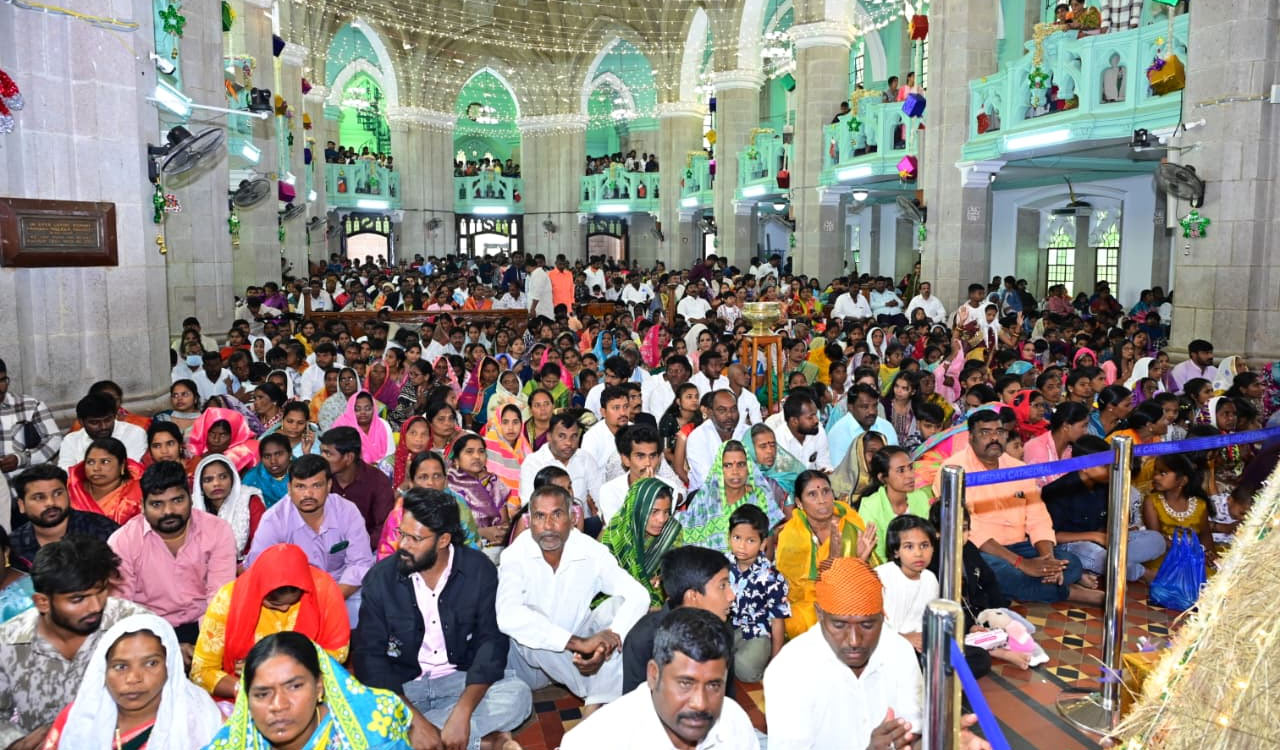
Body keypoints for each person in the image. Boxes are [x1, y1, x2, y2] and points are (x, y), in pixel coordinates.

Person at [354, 489, 531, 750]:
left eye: (415, 538)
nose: (403, 545)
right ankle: (484, 742)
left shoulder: (478, 570)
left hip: (459, 680)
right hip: (403, 688)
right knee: (361, 717)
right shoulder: (380, 579)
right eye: (402, 534)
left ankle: (424, 741)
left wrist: (463, 712)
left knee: (519, 696)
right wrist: (415, 721)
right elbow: (369, 658)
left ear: (443, 540)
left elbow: (490, 642)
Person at [496, 484, 650, 708]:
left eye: (557, 514)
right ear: (529, 521)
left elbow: (639, 595)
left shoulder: (589, 550)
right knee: (532, 620)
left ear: (572, 517)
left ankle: (596, 700)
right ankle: (601, 697)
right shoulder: (515, 555)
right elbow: (508, 616)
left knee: (620, 607)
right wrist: (578, 644)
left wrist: (605, 644)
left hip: (581, 656)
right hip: (531, 667)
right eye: (540, 516)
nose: (548, 526)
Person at [933, 408, 1099, 605]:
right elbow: (969, 528)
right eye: (985, 432)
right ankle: (1069, 592)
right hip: (980, 550)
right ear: (971, 437)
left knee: (1072, 563)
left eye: (1000, 432)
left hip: (1021, 546)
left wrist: (1048, 560)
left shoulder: (1018, 469)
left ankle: (1039, 585)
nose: (994, 438)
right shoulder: (953, 470)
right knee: (993, 573)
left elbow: (1038, 517)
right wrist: (1022, 564)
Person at [0, 537, 150, 750]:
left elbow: (171, 698)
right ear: (43, 602)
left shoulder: (133, 625)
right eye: (79, 599)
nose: (96, 607)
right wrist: (15, 742)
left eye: (101, 591)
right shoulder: (8, 642)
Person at [562, 607, 759, 750]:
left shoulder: (734, 722)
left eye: (714, 685)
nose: (700, 703)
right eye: (685, 683)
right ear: (653, 675)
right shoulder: (596, 741)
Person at [190, 543, 351, 700]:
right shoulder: (228, 599)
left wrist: (265, 666)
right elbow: (202, 671)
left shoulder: (323, 591)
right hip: (245, 694)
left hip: (307, 692)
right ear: (257, 590)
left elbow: (337, 654)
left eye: (293, 602)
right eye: (275, 605)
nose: (285, 609)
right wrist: (248, 689)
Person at [200, 631, 412, 750]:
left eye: (294, 687)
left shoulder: (373, 737)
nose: (278, 705)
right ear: (247, 699)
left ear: (319, 686)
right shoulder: (234, 743)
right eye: (262, 694)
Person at [43, 613, 223, 750]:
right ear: (103, 670)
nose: (133, 678)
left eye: (151, 663)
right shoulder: (78, 718)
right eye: (120, 666)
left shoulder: (200, 723)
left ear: (170, 667)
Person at [109, 461, 237, 644]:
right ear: (142, 506)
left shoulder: (217, 530)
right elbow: (122, 608)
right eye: (157, 504)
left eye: (177, 500)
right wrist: (167, 646)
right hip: (148, 631)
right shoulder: (124, 541)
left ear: (191, 499)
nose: (168, 511)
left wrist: (204, 647)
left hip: (205, 625)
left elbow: (219, 599)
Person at [245, 454, 376, 627]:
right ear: (289, 488)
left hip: (342, 589)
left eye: (316, 485)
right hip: (293, 596)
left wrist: (331, 599)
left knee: (367, 608)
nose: (308, 494)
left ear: (329, 486)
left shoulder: (347, 511)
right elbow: (259, 567)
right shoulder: (274, 519)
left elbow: (360, 563)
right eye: (300, 486)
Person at [1042, 436, 1166, 583]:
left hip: (1103, 542)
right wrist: (1094, 536)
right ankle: (1141, 573)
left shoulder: (1106, 485)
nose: (1110, 470)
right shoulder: (1057, 490)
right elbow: (1053, 537)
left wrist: (1116, 534)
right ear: (1085, 466)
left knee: (1156, 540)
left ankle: (1100, 567)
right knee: (1100, 556)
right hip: (1073, 546)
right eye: (1105, 466)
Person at [775, 470, 877, 638]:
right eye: (812, 495)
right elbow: (796, 591)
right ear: (799, 503)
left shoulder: (850, 523)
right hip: (811, 603)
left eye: (826, 491)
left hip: (850, 596)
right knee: (794, 620)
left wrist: (859, 561)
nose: (822, 500)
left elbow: (870, 577)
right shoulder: (792, 535)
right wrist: (832, 564)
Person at [680, 440, 785, 553]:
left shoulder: (761, 498)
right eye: (728, 465)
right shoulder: (705, 500)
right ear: (719, 469)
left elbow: (767, 547)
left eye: (741, 464)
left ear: (749, 467)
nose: (735, 471)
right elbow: (688, 544)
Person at [11, 463, 119, 571]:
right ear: (22, 505)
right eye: (39, 497)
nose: (51, 502)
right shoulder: (13, 545)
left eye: (58, 493)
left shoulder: (104, 531)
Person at [727, 504, 789, 682]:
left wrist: (776, 660)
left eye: (750, 540)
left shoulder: (771, 577)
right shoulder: (724, 566)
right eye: (737, 537)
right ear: (729, 537)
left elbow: (778, 620)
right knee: (710, 656)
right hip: (732, 628)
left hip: (759, 633)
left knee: (745, 670)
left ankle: (756, 665)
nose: (742, 546)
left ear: (763, 544)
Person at [600, 478, 684, 608]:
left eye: (666, 512)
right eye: (654, 512)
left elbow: (679, 573)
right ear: (637, 509)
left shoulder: (672, 533)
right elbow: (603, 584)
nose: (662, 519)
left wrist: (662, 579)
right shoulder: (616, 535)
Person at [320, 426, 397, 550]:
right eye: (322, 452)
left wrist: (356, 549)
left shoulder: (377, 482)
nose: (322, 458)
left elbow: (383, 528)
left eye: (328, 453)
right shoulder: (319, 479)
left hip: (366, 550)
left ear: (349, 458)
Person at [856, 446, 933, 562]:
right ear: (882, 478)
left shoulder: (920, 497)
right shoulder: (870, 507)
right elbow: (877, 558)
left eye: (911, 467)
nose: (910, 475)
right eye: (901, 470)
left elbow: (928, 542)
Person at [874, 516, 939, 652]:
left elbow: (928, 623)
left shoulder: (930, 579)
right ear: (896, 551)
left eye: (924, 545)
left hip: (919, 646)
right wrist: (903, 638)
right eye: (909, 546)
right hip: (887, 647)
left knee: (977, 656)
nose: (918, 553)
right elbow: (870, 627)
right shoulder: (880, 576)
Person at [517, 412, 601, 511]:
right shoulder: (533, 463)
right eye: (562, 436)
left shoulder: (585, 458)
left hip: (583, 523)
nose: (569, 443)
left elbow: (599, 497)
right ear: (549, 437)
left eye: (574, 436)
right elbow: (529, 505)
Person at [190, 455, 265, 562]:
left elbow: (262, 545)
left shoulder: (249, 501)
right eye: (208, 480)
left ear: (233, 478)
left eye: (223, 477)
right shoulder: (193, 505)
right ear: (200, 485)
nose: (216, 483)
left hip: (246, 569)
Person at [0, 357, 62, 482]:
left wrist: (21, 459)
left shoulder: (29, 405)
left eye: (2, 380)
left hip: (30, 483)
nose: (0, 387)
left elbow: (54, 439)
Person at [66, 437, 145, 524]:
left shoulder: (137, 494)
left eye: (105, 462)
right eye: (90, 462)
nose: (96, 468)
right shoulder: (71, 488)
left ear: (122, 465)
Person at [58, 393, 146, 470]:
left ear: (115, 416)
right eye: (95, 422)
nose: (103, 427)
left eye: (108, 420)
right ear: (81, 422)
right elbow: (67, 474)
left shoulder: (134, 433)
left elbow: (130, 470)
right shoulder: (71, 440)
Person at [685, 390, 746, 493]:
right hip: (706, 496)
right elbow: (706, 479)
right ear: (710, 413)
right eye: (722, 410)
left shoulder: (747, 432)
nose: (729, 415)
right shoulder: (698, 436)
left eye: (733, 409)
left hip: (745, 493)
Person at [764, 388, 834, 472]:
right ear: (794, 421)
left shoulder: (818, 430)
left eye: (815, 414)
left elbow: (824, 464)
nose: (816, 420)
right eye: (810, 417)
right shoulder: (778, 440)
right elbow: (783, 477)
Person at [240, 434, 291, 508]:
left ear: (290, 454)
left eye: (278, 454)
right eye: (267, 456)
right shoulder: (252, 478)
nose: (273, 461)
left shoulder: (302, 472)